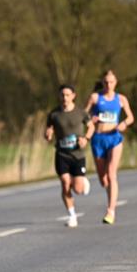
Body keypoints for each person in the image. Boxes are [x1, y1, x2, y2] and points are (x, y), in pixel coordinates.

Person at [85, 69, 134, 225]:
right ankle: (110, 198)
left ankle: (111, 211)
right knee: (103, 179)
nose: (108, 84)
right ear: (102, 82)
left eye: (111, 82)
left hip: (114, 138)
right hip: (98, 139)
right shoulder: (95, 98)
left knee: (112, 173)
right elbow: (82, 115)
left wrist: (124, 123)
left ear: (116, 82)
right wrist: (90, 119)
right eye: (106, 82)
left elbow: (131, 117)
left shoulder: (121, 99)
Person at [45, 84, 94, 227]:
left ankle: (82, 181)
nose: (64, 98)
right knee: (65, 183)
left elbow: (91, 126)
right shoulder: (54, 114)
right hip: (62, 154)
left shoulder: (81, 113)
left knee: (78, 189)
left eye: (67, 95)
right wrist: (48, 135)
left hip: (78, 155)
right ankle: (72, 215)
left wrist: (86, 139)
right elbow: (49, 130)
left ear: (73, 96)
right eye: (62, 95)